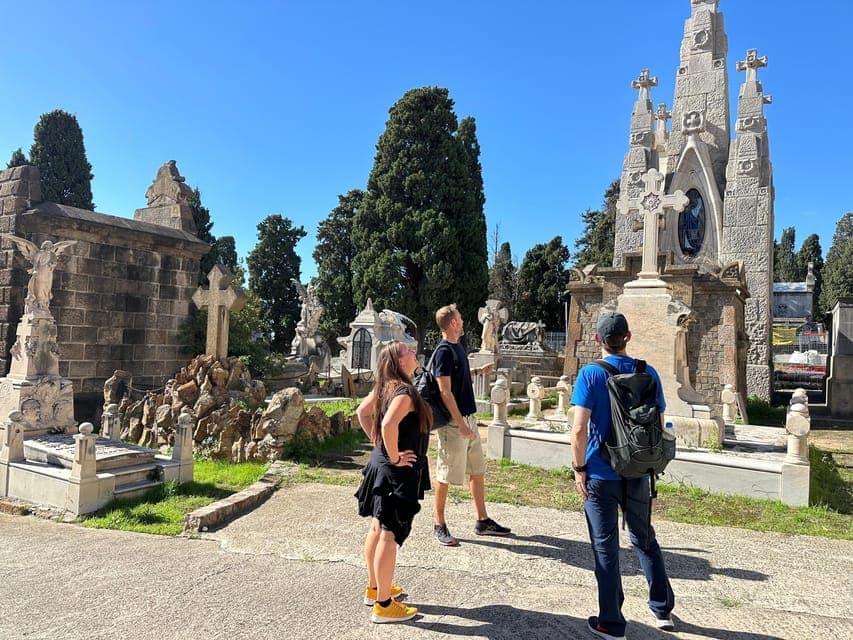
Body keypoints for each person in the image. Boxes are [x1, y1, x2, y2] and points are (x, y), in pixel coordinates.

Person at [570, 311, 675, 640]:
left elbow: (578, 430)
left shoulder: (590, 374)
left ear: (597, 341)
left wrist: (578, 470)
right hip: (638, 470)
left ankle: (612, 622)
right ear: (628, 337)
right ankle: (662, 609)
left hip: (600, 473)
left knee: (606, 548)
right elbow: (658, 425)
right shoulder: (649, 373)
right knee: (644, 539)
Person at [355, 341, 431, 624]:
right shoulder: (404, 391)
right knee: (389, 533)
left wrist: (379, 446)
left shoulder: (384, 386)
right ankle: (384, 605)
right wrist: (396, 455)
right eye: (408, 350)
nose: (414, 352)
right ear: (399, 361)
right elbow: (387, 424)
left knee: (377, 527)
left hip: (380, 467)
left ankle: (375, 588)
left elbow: (363, 413)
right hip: (396, 473)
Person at [431, 303, 511, 546]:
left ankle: (482, 520)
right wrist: (461, 424)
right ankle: (439, 524)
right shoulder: (443, 351)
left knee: (477, 471)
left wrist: (477, 371)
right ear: (453, 323)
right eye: (461, 318)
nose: (464, 321)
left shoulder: (458, 347)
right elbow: (445, 391)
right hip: (455, 425)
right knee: (446, 474)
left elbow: (458, 379)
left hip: (469, 419)